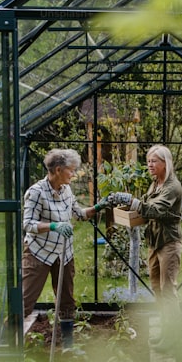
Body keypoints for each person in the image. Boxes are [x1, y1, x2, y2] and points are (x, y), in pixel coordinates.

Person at [22, 148, 124, 349]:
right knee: (25, 300)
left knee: (67, 300)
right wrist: (53, 226)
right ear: (58, 169)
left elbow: (79, 214)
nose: (74, 174)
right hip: (39, 252)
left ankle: (68, 346)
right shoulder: (36, 192)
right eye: (71, 170)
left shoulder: (67, 191)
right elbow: (28, 224)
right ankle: (10, 345)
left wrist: (100, 206)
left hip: (63, 253)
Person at [113, 145, 182, 346]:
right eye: (148, 161)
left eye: (154, 161)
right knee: (157, 289)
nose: (150, 165)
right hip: (154, 242)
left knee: (168, 289)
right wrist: (126, 205)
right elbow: (145, 205)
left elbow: (157, 210)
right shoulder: (156, 184)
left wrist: (133, 202)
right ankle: (165, 329)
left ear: (165, 163)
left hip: (169, 242)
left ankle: (173, 336)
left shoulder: (172, 187)